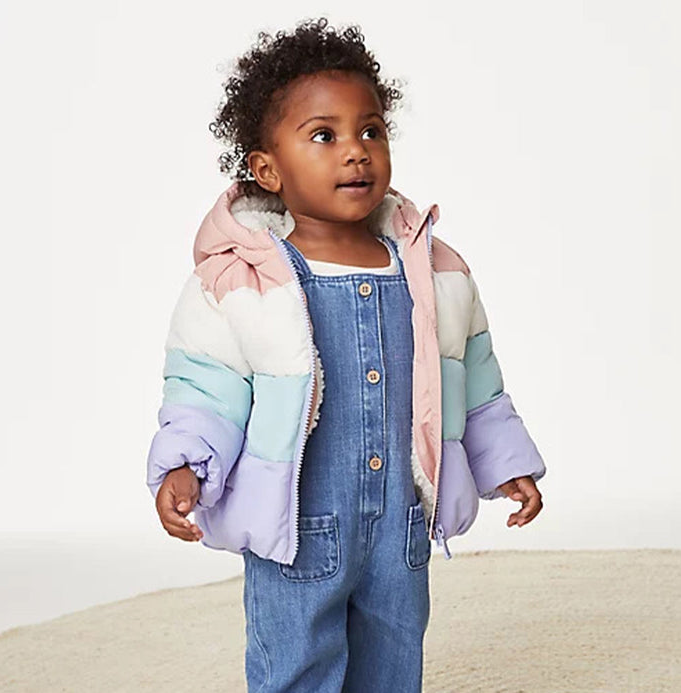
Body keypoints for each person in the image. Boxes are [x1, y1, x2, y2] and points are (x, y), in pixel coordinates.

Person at [146, 16, 546, 692]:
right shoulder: (243, 280)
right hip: (298, 524)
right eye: (323, 136)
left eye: (371, 131)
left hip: (400, 521)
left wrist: (504, 462)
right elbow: (205, 385)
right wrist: (185, 462)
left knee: (394, 655)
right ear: (266, 169)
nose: (355, 152)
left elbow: (472, 379)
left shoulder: (433, 272)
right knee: (296, 660)